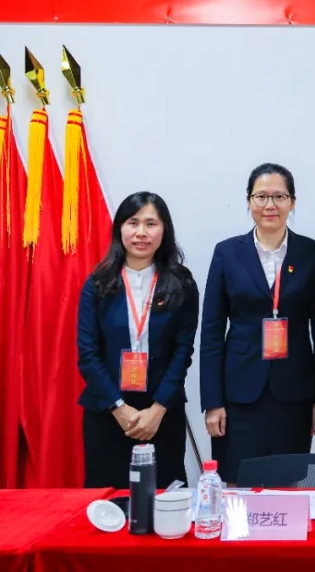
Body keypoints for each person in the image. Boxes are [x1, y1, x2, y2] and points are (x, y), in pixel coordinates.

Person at [200, 163, 315, 483]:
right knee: (237, 482)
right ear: (249, 201)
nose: (269, 205)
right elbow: (211, 332)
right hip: (239, 394)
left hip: (295, 393)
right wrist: (213, 402)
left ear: (292, 202)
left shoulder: (312, 253)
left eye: (279, 196)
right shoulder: (227, 253)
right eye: (261, 196)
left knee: (287, 483)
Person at [77, 191, 199, 489]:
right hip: (108, 411)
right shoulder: (98, 283)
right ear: (120, 229)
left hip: (162, 412)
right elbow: (88, 354)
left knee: (165, 498)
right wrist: (119, 408)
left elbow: (182, 352)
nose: (141, 232)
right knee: (110, 501)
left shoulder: (181, 283)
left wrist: (158, 410)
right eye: (133, 223)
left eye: (151, 224)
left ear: (164, 230)